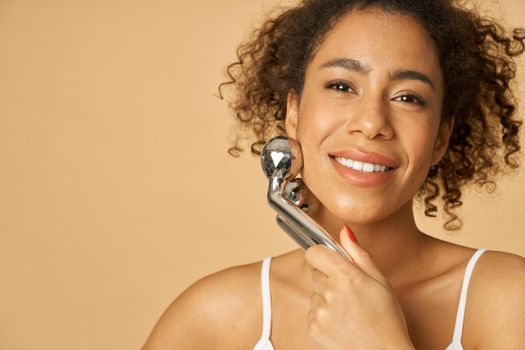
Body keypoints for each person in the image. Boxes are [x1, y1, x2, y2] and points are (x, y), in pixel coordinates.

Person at [142, 0, 525, 348]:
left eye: (408, 97)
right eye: (341, 86)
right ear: (294, 113)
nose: (372, 122)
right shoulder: (213, 318)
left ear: (441, 137)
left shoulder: (507, 298)